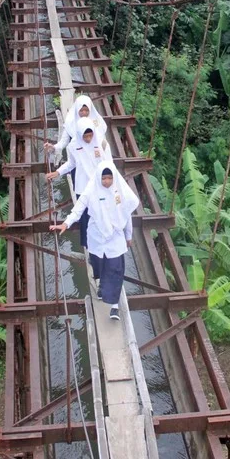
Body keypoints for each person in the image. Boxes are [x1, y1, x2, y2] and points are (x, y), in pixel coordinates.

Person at [50, 161, 139, 321]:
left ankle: (114, 307)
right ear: (99, 178)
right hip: (97, 237)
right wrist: (66, 223)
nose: (106, 181)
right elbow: (78, 209)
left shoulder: (120, 192)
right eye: (104, 178)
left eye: (109, 178)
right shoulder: (91, 191)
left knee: (115, 270)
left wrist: (128, 236)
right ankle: (100, 285)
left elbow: (127, 215)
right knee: (98, 266)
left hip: (115, 239)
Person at [45, 117, 111, 249]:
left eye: (90, 135)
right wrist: (57, 172)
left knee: (101, 215)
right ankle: (89, 247)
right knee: (85, 217)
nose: (88, 139)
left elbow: (110, 167)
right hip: (84, 186)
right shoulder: (73, 146)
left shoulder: (101, 143)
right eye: (85, 136)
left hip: (101, 186)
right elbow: (71, 163)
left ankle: (103, 244)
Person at [44, 95, 108, 155]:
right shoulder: (71, 123)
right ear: (77, 109)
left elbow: (101, 138)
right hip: (79, 154)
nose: (84, 113)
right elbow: (63, 141)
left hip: (95, 154)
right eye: (81, 110)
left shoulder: (95, 121)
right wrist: (54, 147)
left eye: (87, 110)